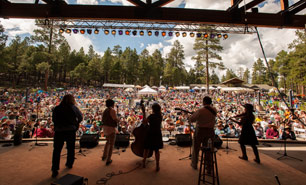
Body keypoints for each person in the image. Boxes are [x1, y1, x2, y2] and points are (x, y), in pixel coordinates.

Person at [51, 94, 83, 178]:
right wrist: (75, 124)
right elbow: (80, 117)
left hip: (59, 131)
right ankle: (69, 164)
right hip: (70, 130)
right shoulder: (74, 108)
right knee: (70, 148)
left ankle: (55, 169)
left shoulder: (57, 108)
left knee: (57, 150)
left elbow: (53, 119)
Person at [189, 96, 217, 170]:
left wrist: (193, 114)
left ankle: (194, 164)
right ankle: (208, 166)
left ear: (204, 102)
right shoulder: (214, 109)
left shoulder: (201, 110)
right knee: (209, 148)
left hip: (200, 130)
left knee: (196, 147)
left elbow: (192, 119)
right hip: (210, 131)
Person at [142, 102, 163, 172]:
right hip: (157, 133)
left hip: (150, 132)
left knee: (146, 148)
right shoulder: (160, 116)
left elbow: (144, 123)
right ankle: (157, 165)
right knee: (156, 150)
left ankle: (144, 162)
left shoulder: (151, 116)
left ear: (153, 109)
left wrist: (144, 112)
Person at [102, 99, 120, 166]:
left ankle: (104, 156)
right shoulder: (112, 110)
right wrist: (118, 119)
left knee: (107, 142)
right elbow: (115, 119)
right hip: (111, 128)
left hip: (105, 128)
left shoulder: (105, 110)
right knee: (111, 144)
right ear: (112, 104)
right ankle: (108, 159)